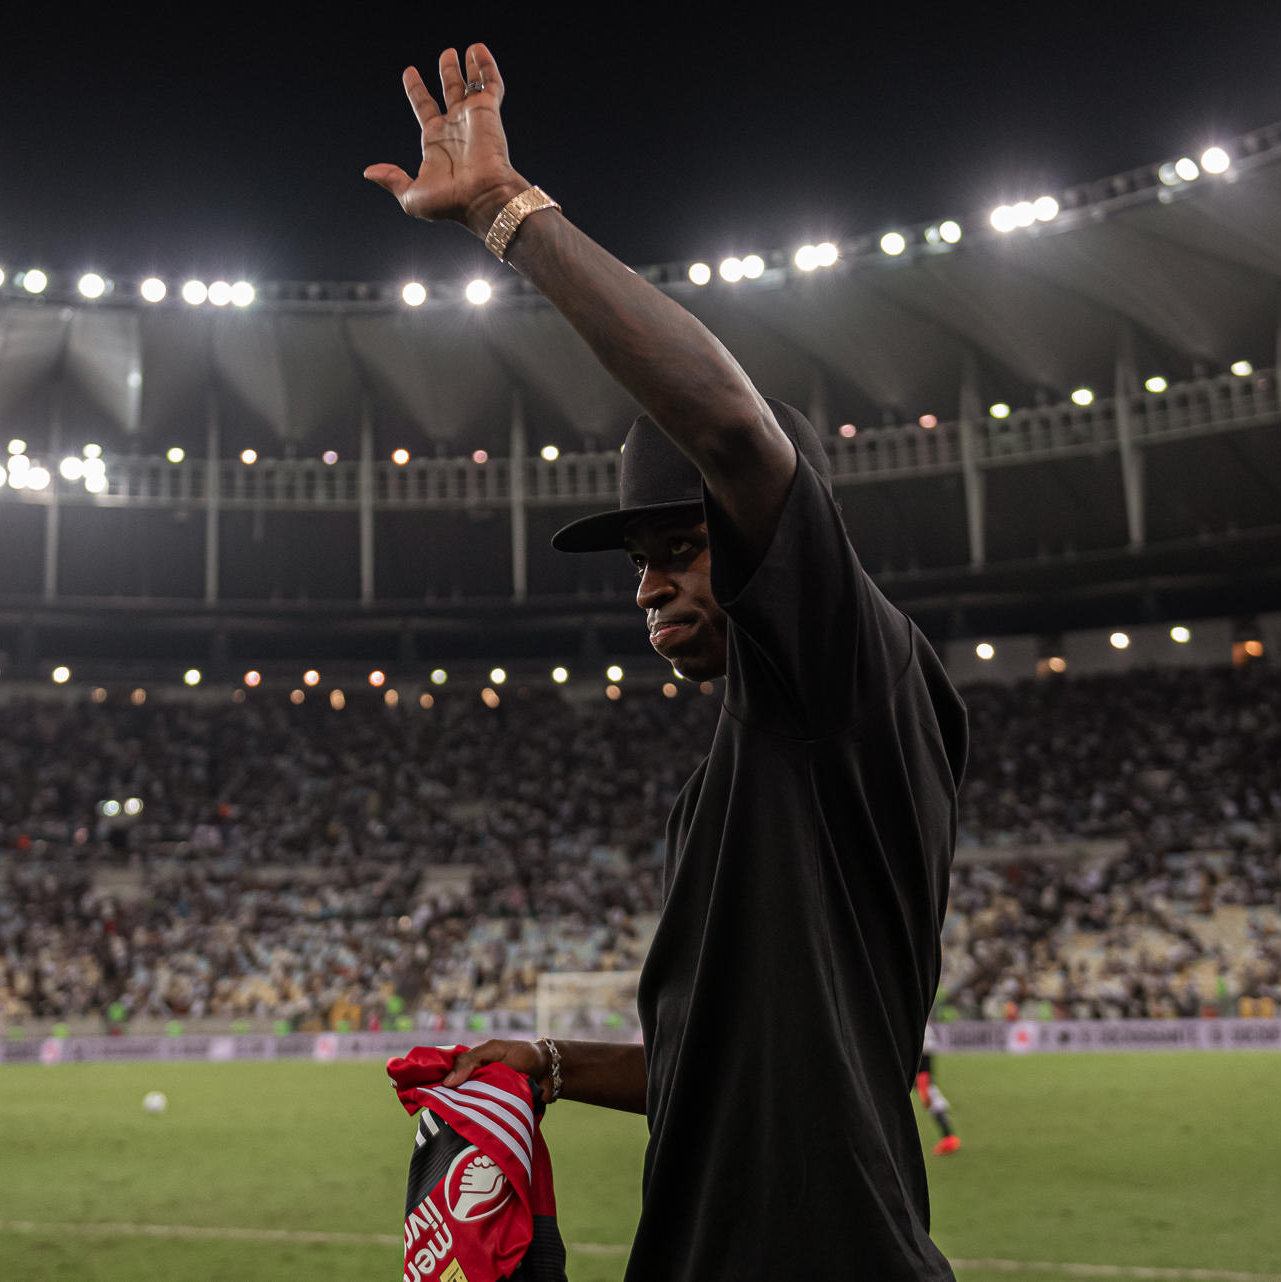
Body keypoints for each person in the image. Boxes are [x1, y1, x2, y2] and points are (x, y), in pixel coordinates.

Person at [369, 44, 968, 1279]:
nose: (649, 580)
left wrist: (506, 213)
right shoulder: (736, 774)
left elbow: (738, 437)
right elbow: (725, 1075)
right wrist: (544, 1065)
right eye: (638, 554)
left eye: (684, 544)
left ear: (768, 544)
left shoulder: (846, 677)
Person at [918, 1022, 961, 1156]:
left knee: (932, 1098)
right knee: (933, 1098)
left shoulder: (925, 1030)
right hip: (919, 1071)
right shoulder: (926, 1029)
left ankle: (949, 1138)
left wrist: (924, 1078)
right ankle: (949, 1137)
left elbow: (925, 1059)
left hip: (919, 1072)